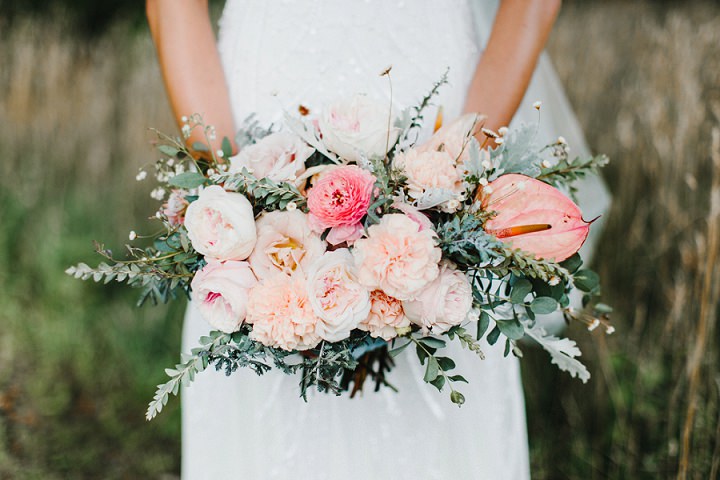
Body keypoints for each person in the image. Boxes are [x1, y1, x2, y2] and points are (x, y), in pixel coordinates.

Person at [146, 1, 610, 478]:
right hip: (257, 100)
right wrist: (234, 194)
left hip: (438, 101)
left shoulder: (452, 149)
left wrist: (457, 156)